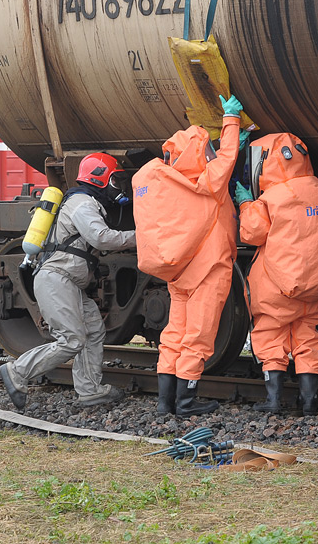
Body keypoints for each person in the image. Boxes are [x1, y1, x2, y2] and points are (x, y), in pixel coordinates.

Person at [132, 94, 243, 417]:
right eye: (205, 148)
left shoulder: (170, 183)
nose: (210, 152)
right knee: (198, 336)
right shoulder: (209, 184)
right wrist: (231, 121)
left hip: (177, 273)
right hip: (208, 270)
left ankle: (165, 402)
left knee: (174, 335)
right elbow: (227, 158)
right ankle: (186, 402)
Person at [0, 153, 136, 411]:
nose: (117, 186)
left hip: (68, 282)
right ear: (100, 179)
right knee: (71, 339)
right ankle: (17, 371)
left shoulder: (87, 202)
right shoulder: (82, 204)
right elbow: (102, 238)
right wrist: (142, 236)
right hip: (57, 279)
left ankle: (90, 390)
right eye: (114, 179)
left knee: (93, 330)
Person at [234, 133, 318, 415]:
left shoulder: (272, 198)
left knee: (271, 337)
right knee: (308, 338)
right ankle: (309, 401)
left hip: (280, 286)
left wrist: (246, 204)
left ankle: (274, 401)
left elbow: (251, 234)